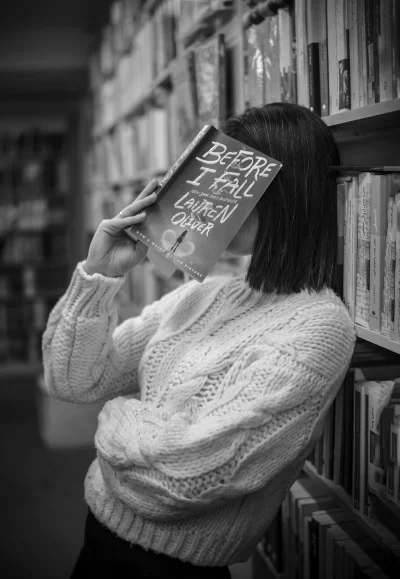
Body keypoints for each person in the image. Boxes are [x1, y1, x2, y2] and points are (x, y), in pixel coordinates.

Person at [41, 103, 356, 578]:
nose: (209, 200)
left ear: (282, 193)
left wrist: (116, 418)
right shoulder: (203, 294)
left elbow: (183, 480)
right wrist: (99, 275)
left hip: (172, 570)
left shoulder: (318, 327)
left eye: (229, 182)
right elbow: (73, 381)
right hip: (98, 540)